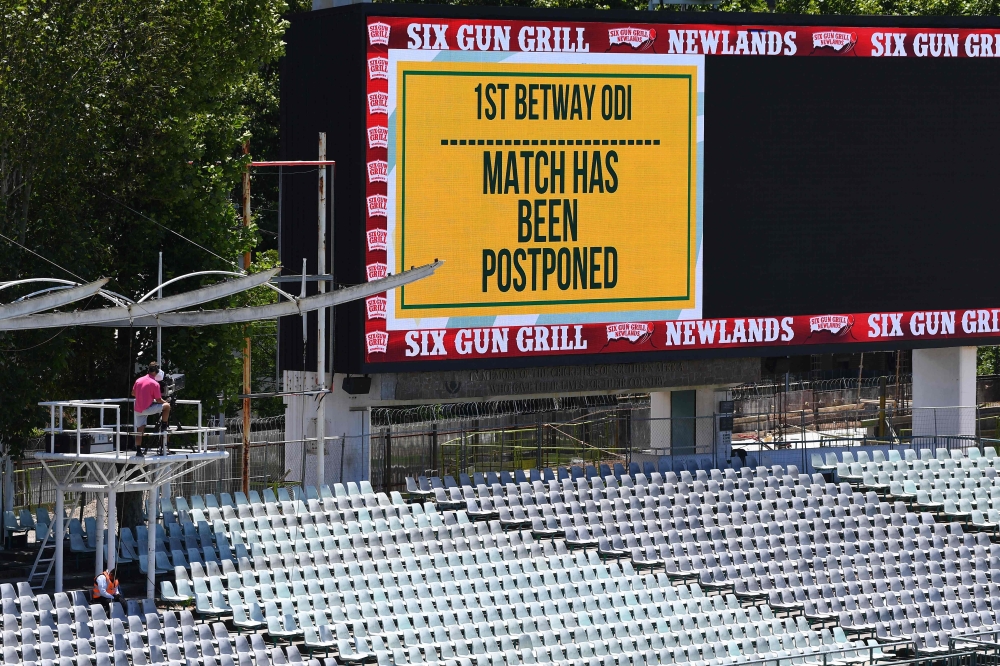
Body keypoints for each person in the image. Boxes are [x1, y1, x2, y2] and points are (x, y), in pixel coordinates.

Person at [132, 361, 170, 455]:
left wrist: (145, 396)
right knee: (167, 407)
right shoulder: (155, 383)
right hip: (147, 409)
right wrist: (166, 402)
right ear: (156, 372)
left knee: (139, 429)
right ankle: (164, 425)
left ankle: (138, 451)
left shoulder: (139, 380)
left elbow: (133, 393)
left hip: (138, 408)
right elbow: (158, 400)